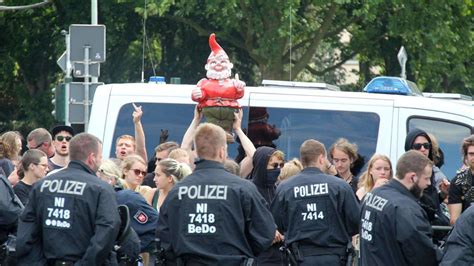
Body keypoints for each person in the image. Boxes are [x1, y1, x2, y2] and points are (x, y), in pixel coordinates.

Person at [157, 123, 276, 264]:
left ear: (197, 152)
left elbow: (163, 238)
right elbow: (265, 233)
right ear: (222, 152)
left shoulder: (177, 191)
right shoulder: (242, 189)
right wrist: (243, 252)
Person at [16, 133, 121, 265]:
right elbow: (106, 234)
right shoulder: (101, 189)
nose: (100, 161)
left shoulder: (41, 186)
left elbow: (26, 235)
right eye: (100, 157)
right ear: (92, 158)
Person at [271, 139, 360, 265]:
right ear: (321, 159)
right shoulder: (340, 186)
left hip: (299, 258)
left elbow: (276, 224)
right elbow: (356, 222)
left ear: (302, 160)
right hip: (335, 257)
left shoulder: (285, 188)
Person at [359, 150, 438, 266]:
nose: (429, 183)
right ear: (413, 177)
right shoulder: (406, 209)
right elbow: (423, 256)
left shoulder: (372, 195)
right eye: (426, 178)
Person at [191, 33, 245, 142]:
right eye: (214, 62)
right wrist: (197, 94)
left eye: (222, 61)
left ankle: (226, 135)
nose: (218, 64)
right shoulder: (204, 82)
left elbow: (239, 93)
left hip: (229, 112)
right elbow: (198, 95)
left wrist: (239, 87)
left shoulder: (233, 82)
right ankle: (213, 137)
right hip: (211, 112)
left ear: (229, 64)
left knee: (226, 132)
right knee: (212, 130)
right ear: (208, 66)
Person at [404, 128, 450, 226]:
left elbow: (430, 202)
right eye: (417, 146)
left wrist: (442, 194)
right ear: (409, 148)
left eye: (426, 145)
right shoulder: (406, 172)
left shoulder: (430, 170)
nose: (423, 149)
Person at [448, 134, 474, 224]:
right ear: (466, 156)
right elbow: (454, 220)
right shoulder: (457, 182)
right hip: (467, 234)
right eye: (471, 154)